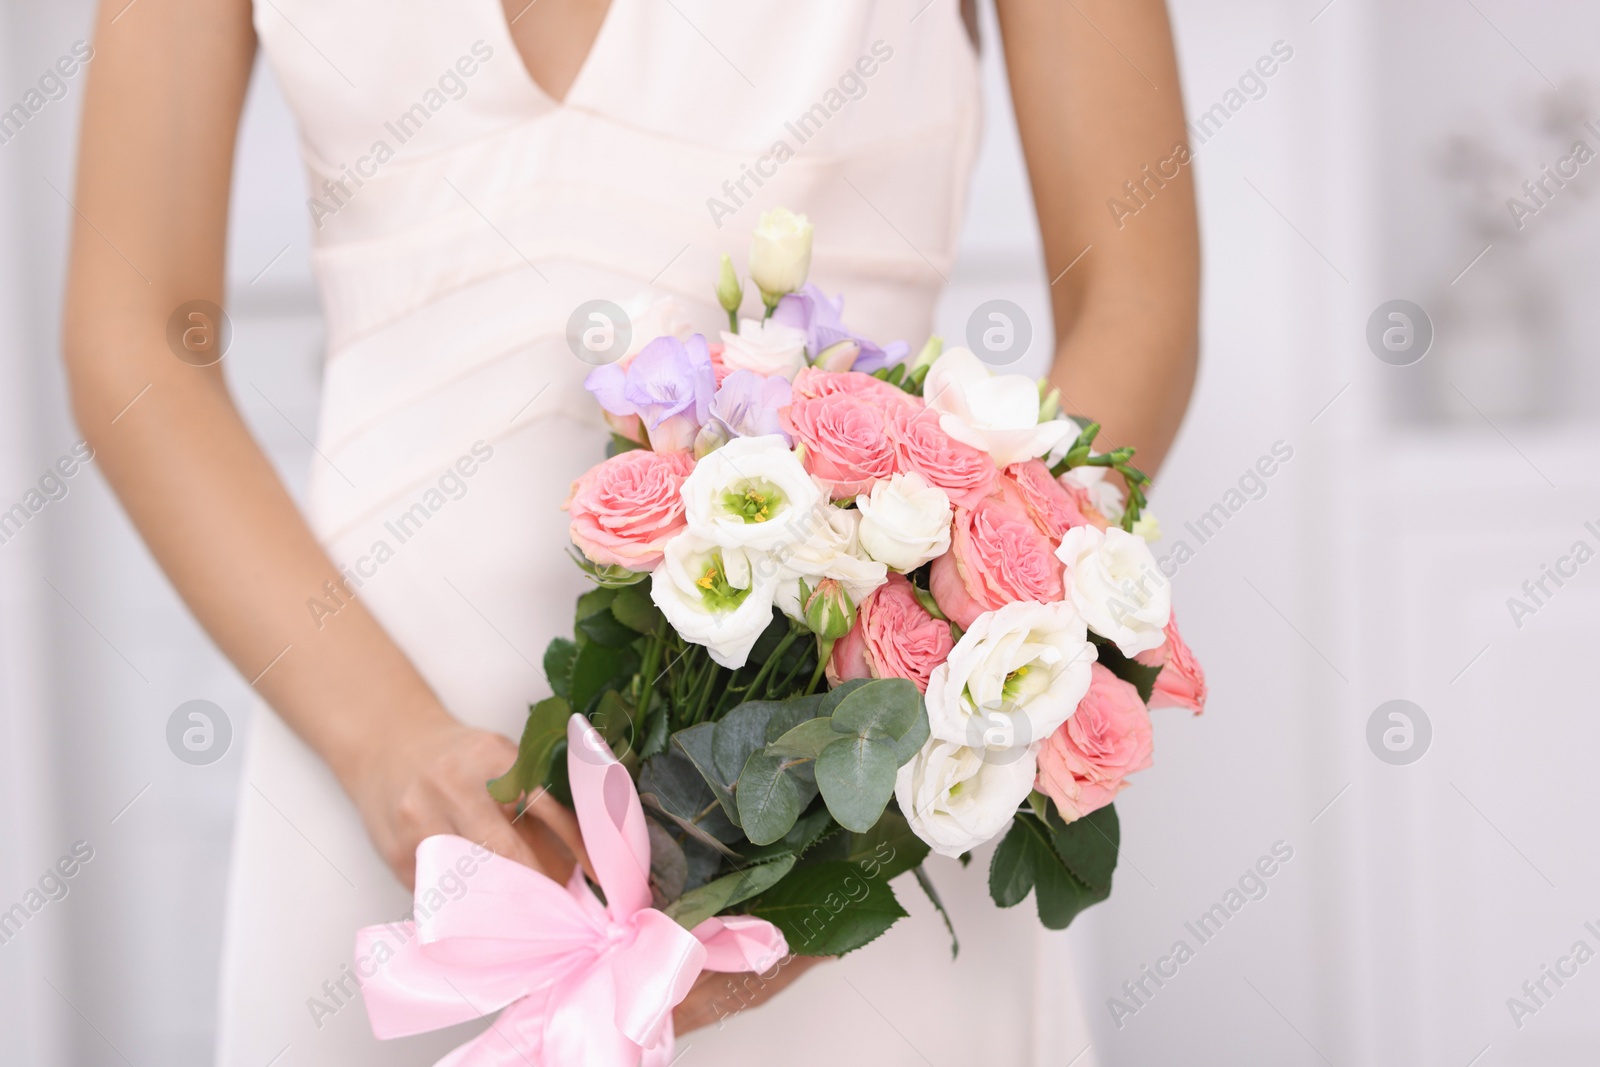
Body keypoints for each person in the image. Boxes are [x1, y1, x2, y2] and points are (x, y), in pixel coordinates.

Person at [62, 0, 1197, 1062]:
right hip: (381, 771)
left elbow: (1134, 304)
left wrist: (858, 778)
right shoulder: (383, 767)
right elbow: (138, 332)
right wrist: (381, 744)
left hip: (855, 774)